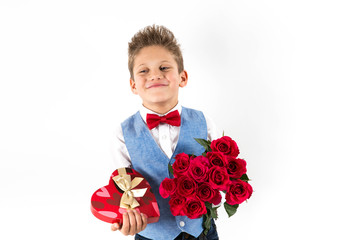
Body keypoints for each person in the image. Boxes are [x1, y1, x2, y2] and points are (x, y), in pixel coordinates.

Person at [110, 25, 220, 240]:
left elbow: (220, 175)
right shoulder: (122, 134)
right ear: (133, 85)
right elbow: (123, 191)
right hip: (150, 235)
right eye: (144, 70)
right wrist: (125, 219)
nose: (154, 76)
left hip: (202, 233)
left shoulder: (204, 122)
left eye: (164, 68)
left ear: (182, 77)